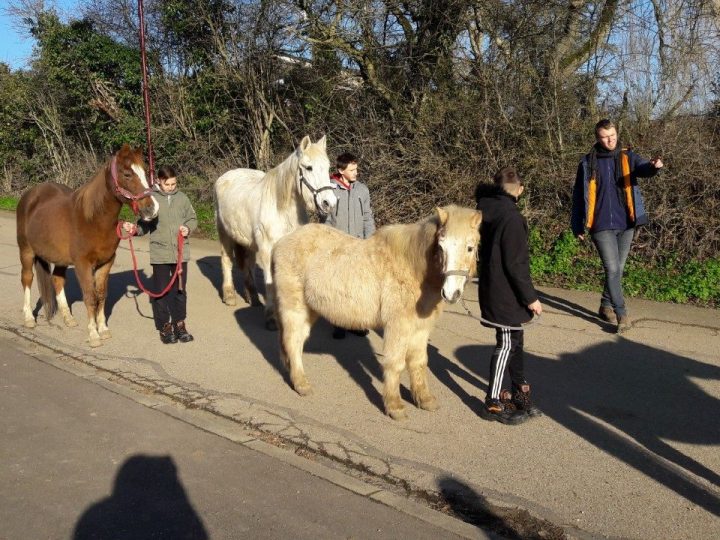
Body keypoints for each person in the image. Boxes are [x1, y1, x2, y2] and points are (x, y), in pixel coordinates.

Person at [571, 119, 663, 334]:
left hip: (626, 223)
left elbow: (642, 169)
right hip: (600, 224)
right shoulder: (587, 163)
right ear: (598, 138)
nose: (610, 139)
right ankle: (621, 314)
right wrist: (577, 225)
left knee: (618, 269)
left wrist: (652, 166)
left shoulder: (627, 157)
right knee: (612, 269)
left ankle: (605, 305)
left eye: (612, 135)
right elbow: (578, 196)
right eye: (605, 136)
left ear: (616, 133)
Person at [475, 167, 543, 425]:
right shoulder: (511, 217)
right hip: (504, 293)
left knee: (516, 342)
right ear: (520, 190)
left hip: (497, 289)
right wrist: (531, 297)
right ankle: (492, 402)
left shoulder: (486, 210)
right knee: (505, 345)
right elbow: (516, 264)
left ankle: (519, 395)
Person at [123, 166, 198, 344]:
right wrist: (134, 229)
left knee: (180, 290)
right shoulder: (152, 199)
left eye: (174, 183)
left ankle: (180, 324)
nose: (171, 187)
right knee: (161, 292)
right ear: (158, 181)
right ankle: (165, 326)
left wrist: (188, 228)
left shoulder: (183, 198)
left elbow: (192, 219)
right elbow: (144, 225)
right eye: (168, 184)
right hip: (160, 254)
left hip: (181, 253)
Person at [323, 152, 376, 339]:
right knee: (338, 286)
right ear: (340, 170)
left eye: (356, 169)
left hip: (359, 244)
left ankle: (355, 322)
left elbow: (368, 216)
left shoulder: (362, 189)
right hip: (337, 246)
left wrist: (371, 240)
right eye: (352, 170)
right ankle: (338, 322)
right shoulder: (330, 189)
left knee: (357, 286)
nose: (356, 172)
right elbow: (327, 219)